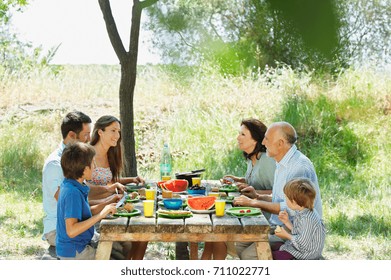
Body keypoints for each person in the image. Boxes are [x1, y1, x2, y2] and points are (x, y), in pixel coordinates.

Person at [233, 121, 323, 260]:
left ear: (280, 143)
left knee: (249, 255)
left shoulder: (298, 167)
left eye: (267, 139)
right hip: (280, 225)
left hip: (298, 233)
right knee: (239, 243)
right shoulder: (281, 163)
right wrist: (257, 196)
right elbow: (280, 199)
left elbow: (291, 208)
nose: (262, 143)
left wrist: (255, 203)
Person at [201, 118, 276, 260]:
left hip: (266, 221)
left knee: (217, 234)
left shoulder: (267, 160)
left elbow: (278, 192)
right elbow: (256, 181)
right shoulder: (252, 159)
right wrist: (239, 180)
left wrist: (253, 192)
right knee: (214, 235)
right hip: (252, 215)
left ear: (256, 139)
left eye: (243, 135)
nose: (238, 138)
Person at [85, 115, 147, 260]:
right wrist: (110, 190)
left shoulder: (111, 153)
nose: (117, 136)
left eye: (118, 131)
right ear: (100, 132)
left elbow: (110, 181)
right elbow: (82, 187)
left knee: (142, 237)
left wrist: (131, 179)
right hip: (95, 210)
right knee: (129, 240)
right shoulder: (87, 154)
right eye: (113, 131)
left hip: (112, 205)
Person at [56, 142, 117, 260]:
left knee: (120, 246)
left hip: (80, 245)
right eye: (92, 164)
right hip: (75, 251)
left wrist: (107, 205)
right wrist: (101, 215)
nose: (95, 167)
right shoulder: (72, 192)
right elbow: (72, 231)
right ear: (84, 170)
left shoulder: (72, 184)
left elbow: (84, 213)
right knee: (116, 255)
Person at [42, 111, 93, 247]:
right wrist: (103, 207)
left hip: (74, 225)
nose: (89, 139)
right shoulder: (55, 164)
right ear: (71, 135)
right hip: (58, 231)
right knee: (114, 245)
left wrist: (108, 194)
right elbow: (69, 202)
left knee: (124, 243)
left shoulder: (75, 158)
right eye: (86, 134)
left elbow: (83, 194)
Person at [272, 178, 325, 260]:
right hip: (299, 247)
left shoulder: (307, 219)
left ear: (294, 201)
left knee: (273, 256)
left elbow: (303, 244)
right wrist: (287, 222)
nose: (285, 200)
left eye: (286, 198)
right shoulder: (303, 211)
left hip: (306, 254)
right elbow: (300, 232)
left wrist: (286, 235)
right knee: (274, 246)